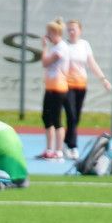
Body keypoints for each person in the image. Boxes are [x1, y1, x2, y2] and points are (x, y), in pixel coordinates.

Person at [59, 18, 111, 156]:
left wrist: (103, 80)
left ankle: (66, 142)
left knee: (76, 117)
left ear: (80, 30)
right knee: (71, 115)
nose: (71, 32)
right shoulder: (64, 45)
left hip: (81, 86)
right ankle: (72, 146)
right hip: (66, 85)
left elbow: (92, 64)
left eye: (74, 29)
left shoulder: (84, 45)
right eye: (69, 29)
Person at [38, 20, 66, 159]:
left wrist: (44, 47)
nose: (47, 35)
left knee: (56, 119)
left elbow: (45, 62)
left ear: (55, 32)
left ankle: (59, 149)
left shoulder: (61, 48)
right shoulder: (55, 47)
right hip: (50, 86)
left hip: (58, 87)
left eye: (49, 32)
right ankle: (49, 148)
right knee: (46, 117)